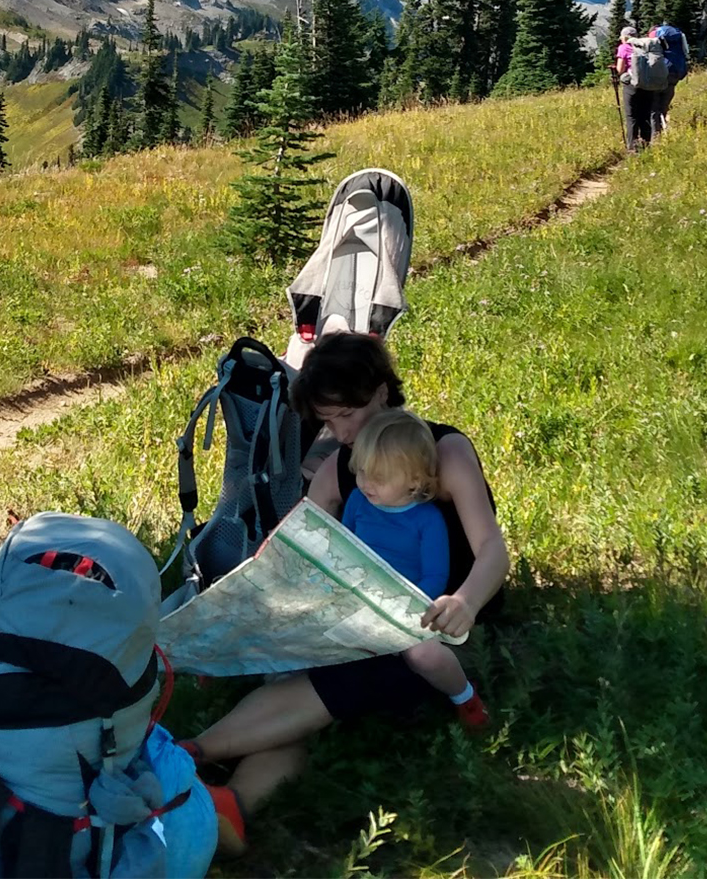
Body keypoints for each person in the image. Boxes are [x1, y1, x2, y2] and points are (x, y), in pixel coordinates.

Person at [179, 333, 509, 855]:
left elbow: (492, 549)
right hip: (365, 618)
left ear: (380, 393)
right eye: (327, 422)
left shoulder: (441, 451)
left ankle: (184, 756)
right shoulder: (341, 467)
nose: (338, 433)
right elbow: (294, 550)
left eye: (344, 416)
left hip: (438, 626)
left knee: (346, 676)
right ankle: (231, 805)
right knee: (315, 673)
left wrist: (464, 601)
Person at [339, 408, 488, 729]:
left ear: (415, 480)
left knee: (422, 655)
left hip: (406, 606)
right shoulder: (356, 501)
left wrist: (406, 605)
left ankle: (464, 696)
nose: (365, 483)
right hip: (358, 598)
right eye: (361, 471)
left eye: (378, 477)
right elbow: (343, 546)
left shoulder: (427, 519)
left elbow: (435, 575)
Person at [612, 32, 662, 149]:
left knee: (631, 116)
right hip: (648, 84)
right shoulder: (646, 45)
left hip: (631, 85)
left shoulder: (623, 47)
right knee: (645, 115)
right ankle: (646, 144)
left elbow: (620, 69)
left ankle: (632, 147)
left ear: (624, 37)